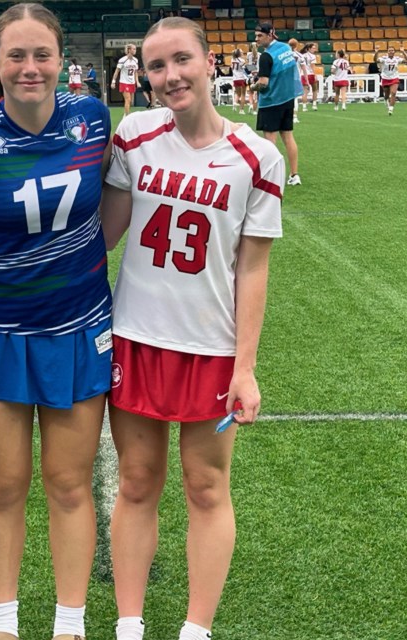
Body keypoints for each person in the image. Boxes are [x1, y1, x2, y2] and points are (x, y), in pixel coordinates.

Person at [99, 16, 283, 640]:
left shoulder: (256, 157)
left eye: (181, 60)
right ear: (144, 77)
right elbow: (104, 233)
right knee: (137, 481)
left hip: (209, 345)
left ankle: (195, 629)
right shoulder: (134, 136)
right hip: (136, 336)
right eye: (156, 66)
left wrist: (246, 366)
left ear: (209, 62)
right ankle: (129, 624)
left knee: (206, 486)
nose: (170, 75)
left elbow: (252, 270)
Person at [0, 4, 113, 639]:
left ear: (61, 59)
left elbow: (115, 201)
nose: (30, 67)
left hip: (78, 322)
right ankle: (3, 622)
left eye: (41, 53)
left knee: (70, 485)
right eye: (16, 55)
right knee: (5, 485)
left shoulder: (94, 118)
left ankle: (69, 623)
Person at [251, 22, 303, 186]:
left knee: (269, 141)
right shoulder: (286, 48)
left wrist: (253, 86)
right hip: (287, 98)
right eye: (256, 36)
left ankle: (271, 177)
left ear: (270, 34)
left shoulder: (266, 56)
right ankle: (294, 175)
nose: (257, 39)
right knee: (288, 137)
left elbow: (264, 83)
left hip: (271, 101)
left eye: (260, 35)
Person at [374, 46, 407, 115]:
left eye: (392, 50)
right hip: (385, 78)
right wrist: (376, 52)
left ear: (394, 52)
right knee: (386, 94)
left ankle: (391, 109)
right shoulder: (384, 58)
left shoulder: (397, 59)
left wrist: (403, 51)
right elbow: (375, 60)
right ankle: (386, 99)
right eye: (389, 50)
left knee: (393, 93)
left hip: (394, 78)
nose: (391, 52)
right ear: (387, 52)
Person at [112, 43, 142, 117]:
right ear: (129, 50)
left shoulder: (135, 60)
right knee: (127, 99)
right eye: (133, 49)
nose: (135, 50)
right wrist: (113, 81)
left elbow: (135, 72)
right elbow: (117, 71)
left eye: (135, 49)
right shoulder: (123, 60)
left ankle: (126, 114)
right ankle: (126, 116)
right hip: (124, 82)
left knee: (130, 101)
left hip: (132, 82)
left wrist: (137, 82)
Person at [300, 43, 318, 111]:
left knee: (305, 91)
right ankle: (314, 105)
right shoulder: (312, 56)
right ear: (309, 49)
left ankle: (304, 107)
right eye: (313, 48)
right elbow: (313, 66)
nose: (314, 49)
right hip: (310, 74)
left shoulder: (301, 55)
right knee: (315, 90)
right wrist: (315, 75)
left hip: (303, 74)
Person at [230, 48, 249, 115]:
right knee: (243, 94)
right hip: (241, 78)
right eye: (241, 52)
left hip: (235, 78)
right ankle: (241, 110)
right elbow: (246, 69)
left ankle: (234, 103)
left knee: (238, 93)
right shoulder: (242, 60)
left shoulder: (232, 59)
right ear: (239, 53)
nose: (242, 52)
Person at [244, 43, 260, 115]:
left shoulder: (248, 54)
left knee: (251, 92)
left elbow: (247, 65)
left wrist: (252, 71)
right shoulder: (260, 54)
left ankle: (250, 104)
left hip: (251, 75)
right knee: (257, 93)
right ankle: (254, 110)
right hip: (258, 74)